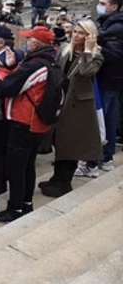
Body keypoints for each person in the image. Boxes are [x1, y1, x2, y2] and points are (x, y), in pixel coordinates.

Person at [0, 26, 57, 223]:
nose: (26, 42)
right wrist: (12, 69)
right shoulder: (48, 61)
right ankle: (26, 203)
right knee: (27, 165)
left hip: (24, 122)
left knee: (16, 168)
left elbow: (6, 88)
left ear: (36, 43)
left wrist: (1, 70)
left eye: (29, 39)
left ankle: (15, 208)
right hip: (37, 124)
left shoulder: (34, 65)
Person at [40, 20, 103, 197]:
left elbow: (85, 72)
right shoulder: (65, 50)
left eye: (81, 33)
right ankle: (56, 177)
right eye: (75, 31)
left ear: (89, 35)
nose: (76, 35)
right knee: (59, 140)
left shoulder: (96, 55)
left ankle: (64, 182)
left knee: (71, 143)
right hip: (62, 99)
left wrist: (88, 51)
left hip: (78, 105)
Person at [88, 0, 123, 174]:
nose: (99, 6)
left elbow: (116, 56)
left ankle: (95, 160)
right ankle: (105, 157)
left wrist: (97, 49)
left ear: (114, 6)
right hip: (111, 81)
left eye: (103, 3)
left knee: (101, 120)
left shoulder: (116, 28)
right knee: (109, 119)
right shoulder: (109, 24)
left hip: (107, 80)